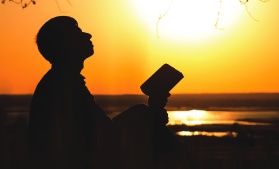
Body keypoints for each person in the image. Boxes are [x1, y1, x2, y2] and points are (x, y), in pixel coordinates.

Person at [28, 16, 185, 169]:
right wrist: (148, 116)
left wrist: (152, 112)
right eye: (77, 33)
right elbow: (102, 140)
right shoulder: (63, 84)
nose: (87, 35)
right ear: (65, 45)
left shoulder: (64, 81)